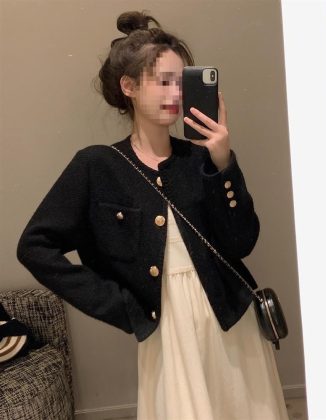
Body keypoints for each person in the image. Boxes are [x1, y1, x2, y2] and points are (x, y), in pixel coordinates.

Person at [16, 10, 289, 420]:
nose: (175, 93)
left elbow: (241, 243)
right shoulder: (98, 166)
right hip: (168, 329)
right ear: (128, 86)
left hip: (233, 322)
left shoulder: (200, 158)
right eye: (163, 81)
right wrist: (119, 306)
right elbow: (35, 247)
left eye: (181, 81)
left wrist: (223, 163)